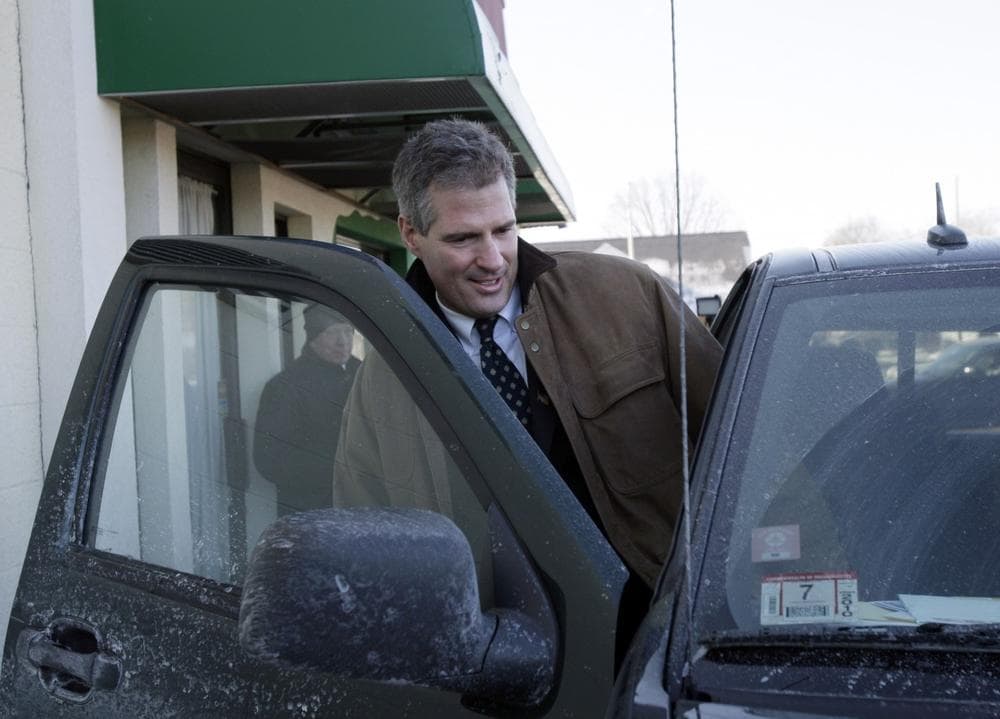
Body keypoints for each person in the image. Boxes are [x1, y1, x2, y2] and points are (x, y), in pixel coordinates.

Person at [335, 118, 722, 594]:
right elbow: (366, 542)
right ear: (410, 234)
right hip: (493, 633)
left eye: (503, 230)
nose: (493, 259)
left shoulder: (628, 295)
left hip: (661, 614)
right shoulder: (386, 377)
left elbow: (749, 437)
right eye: (463, 239)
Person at [254, 305, 360, 516]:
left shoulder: (363, 375)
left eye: (348, 331)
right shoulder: (285, 387)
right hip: (311, 513)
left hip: (361, 506)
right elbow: (269, 460)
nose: (343, 341)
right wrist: (340, 468)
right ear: (313, 337)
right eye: (331, 332)